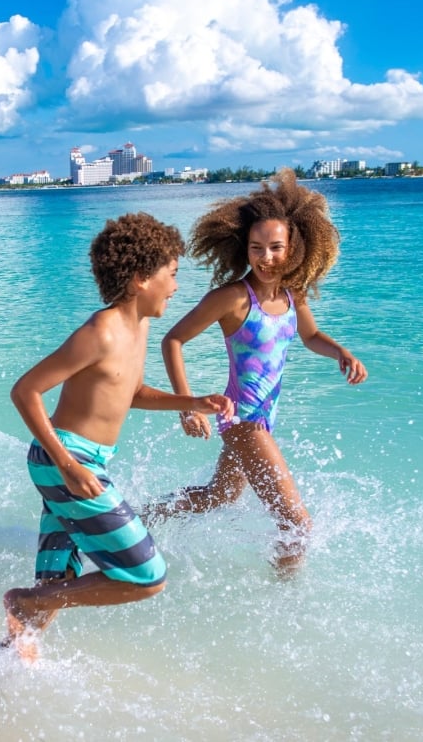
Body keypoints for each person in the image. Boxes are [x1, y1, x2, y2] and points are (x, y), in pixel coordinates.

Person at [2, 212, 233, 662]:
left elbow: (131, 392)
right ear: (141, 279)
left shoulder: (139, 326)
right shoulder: (100, 332)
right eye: (172, 274)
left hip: (80, 461)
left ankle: (1, 663)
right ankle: (22, 603)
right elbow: (25, 390)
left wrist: (192, 402)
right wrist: (68, 466)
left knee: (56, 581)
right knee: (147, 577)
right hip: (66, 460)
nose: (176, 286)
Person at [142, 168, 367, 572]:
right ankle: (284, 604)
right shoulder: (232, 298)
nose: (266, 258)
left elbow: (310, 335)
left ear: (294, 246)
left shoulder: (291, 293)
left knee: (219, 496)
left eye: (276, 247)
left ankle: (139, 519)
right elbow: (171, 340)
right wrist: (187, 406)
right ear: (242, 248)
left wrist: (341, 353)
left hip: (265, 417)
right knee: (297, 524)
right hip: (244, 421)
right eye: (256, 248)